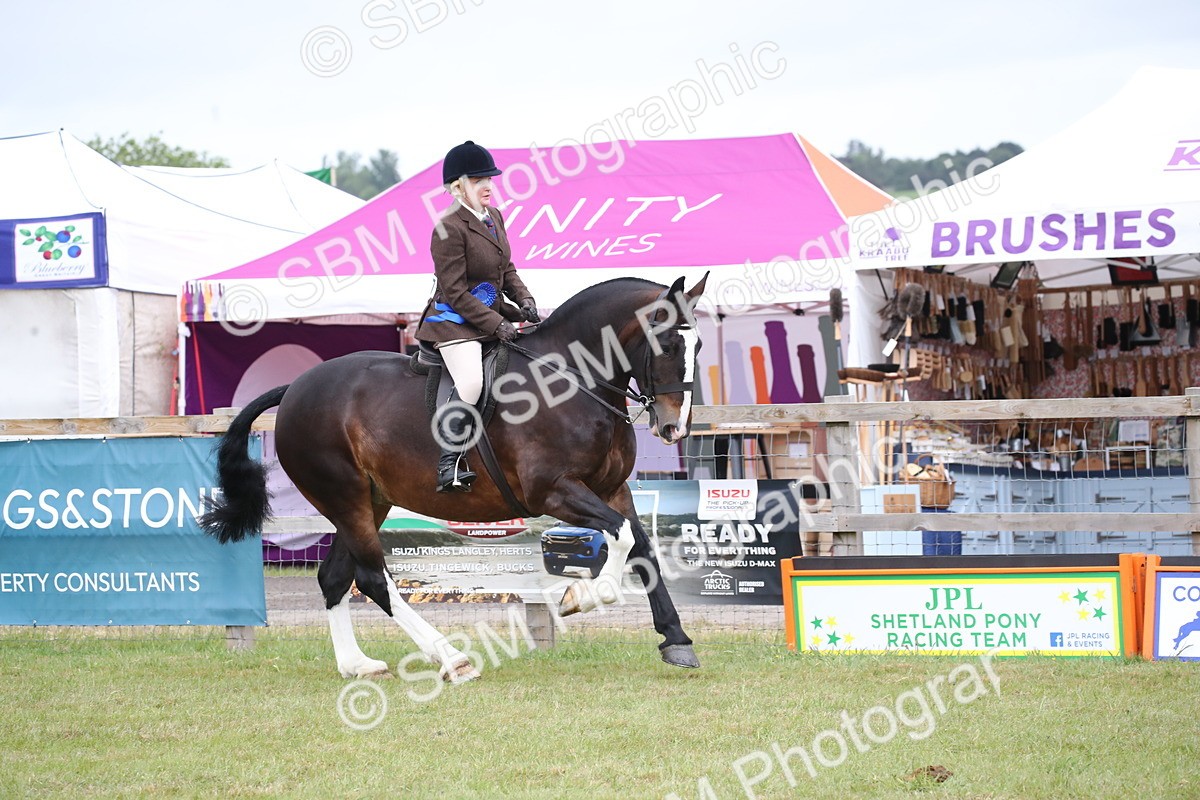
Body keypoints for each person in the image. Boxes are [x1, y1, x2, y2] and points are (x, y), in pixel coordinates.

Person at [415, 141, 539, 493]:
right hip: (453, 322)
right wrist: (497, 324)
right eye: (479, 180)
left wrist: (524, 300)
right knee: (471, 383)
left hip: (489, 314)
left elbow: (507, 269)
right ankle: (448, 462)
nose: (488, 186)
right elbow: (454, 292)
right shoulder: (447, 228)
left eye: (490, 179)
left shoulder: (494, 217)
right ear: (458, 187)